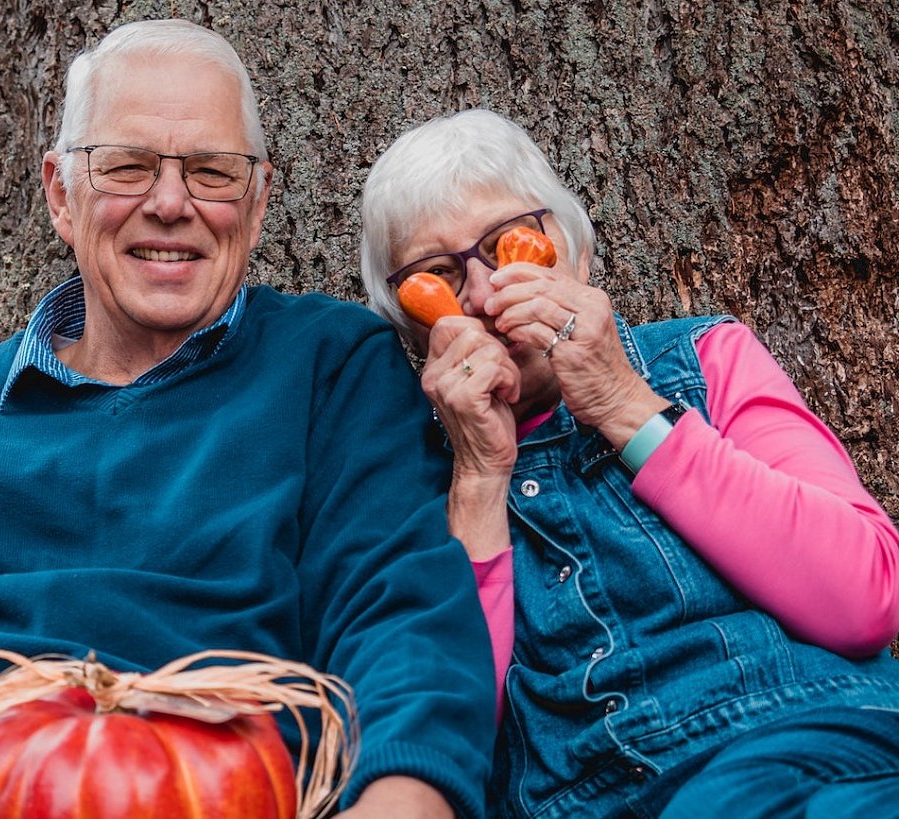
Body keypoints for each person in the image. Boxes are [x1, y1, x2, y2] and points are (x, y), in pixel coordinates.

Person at [0, 21, 498, 819]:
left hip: (221, 796)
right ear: (61, 194)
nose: (169, 204)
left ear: (257, 203)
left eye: (211, 171)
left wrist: (401, 799)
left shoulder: (330, 368)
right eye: (128, 166)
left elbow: (403, 618)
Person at [358, 108, 899, 819]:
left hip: (806, 749)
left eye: (507, 244)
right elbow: (445, 741)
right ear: (413, 334)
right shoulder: (414, 480)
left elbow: (864, 599)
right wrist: (481, 479)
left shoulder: (704, 359)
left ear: (578, 255)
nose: (485, 296)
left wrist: (623, 404)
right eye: (437, 276)